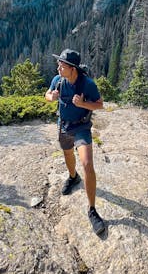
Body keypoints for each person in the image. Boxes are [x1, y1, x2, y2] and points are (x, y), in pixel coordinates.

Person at [45, 49, 105, 235]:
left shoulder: (87, 84)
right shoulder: (58, 80)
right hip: (64, 126)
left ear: (72, 68)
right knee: (67, 153)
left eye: (61, 65)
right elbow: (47, 95)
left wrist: (83, 104)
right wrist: (51, 97)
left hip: (81, 127)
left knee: (87, 164)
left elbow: (100, 104)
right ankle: (73, 177)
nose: (58, 67)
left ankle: (92, 210)